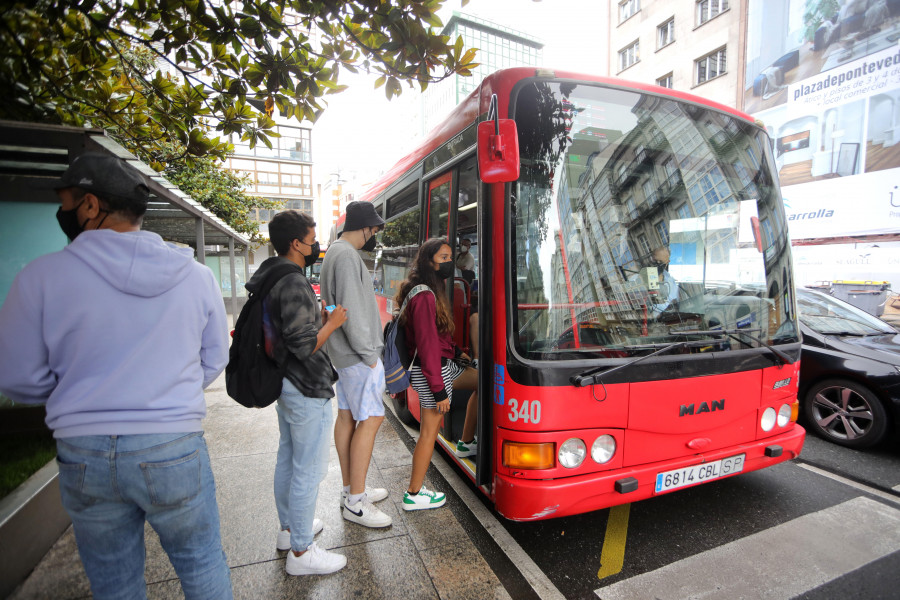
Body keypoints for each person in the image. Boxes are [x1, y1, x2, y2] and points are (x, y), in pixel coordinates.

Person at [0, 153, 233, 599]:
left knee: (114, 582)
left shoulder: (42, 277)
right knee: (202, 561)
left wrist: (79, 392)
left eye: (66, 201)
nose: (63, 212)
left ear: (90, 205)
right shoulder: (196, 276)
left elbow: (17, 377)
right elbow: (213, 357)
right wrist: (169, 391)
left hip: (83, 451)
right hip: (172, 444)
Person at [249, 209, 349, 576]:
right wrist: (333, 323)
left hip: (286, 384)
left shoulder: (269, 275)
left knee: (288, 459)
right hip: (306, 385)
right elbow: (305, 346)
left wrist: (317, 320)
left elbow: (289, 333)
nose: (315, 244)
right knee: (308, 470)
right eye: (311, 238)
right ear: (296, 243)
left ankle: (290, 530)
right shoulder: (292, 281)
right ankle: (302, 553)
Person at [320, 200, 392, 529]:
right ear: (363, 227)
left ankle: (351, 490)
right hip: (358, 355)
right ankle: (356, 502)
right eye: (373, 229)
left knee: (347, 417)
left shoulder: (334, 252)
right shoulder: (347, 255)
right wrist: (370, 356)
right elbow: (349, 309)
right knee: (373, 418)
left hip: (343, 354)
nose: (373, 235)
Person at [395, 238, 479, 511]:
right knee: (429, 433)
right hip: (433, 372)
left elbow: (437, 339)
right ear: (429, 261)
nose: (448, 263)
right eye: (443, 258)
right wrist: (439, 390)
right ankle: (413, 493)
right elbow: (427, 345)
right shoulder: (423, 296)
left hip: (440, 367)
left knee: (483, 380)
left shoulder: (427, 290)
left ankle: (466, 443)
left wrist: (456, 352)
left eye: (449, 257)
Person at [650, 245, 679, 316]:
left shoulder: (677, 276)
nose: (657, 263)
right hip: (664, 318)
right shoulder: (654, 278)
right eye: (655, 261)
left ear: (669, 260)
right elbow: (655, 307)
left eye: (660, 261)